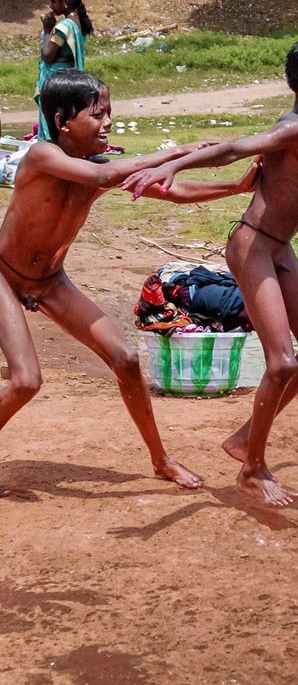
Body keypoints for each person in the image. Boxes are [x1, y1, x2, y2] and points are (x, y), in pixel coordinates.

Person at [121, 35, 298, 508]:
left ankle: (244, 438)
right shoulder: (292, 128)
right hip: (252, 248)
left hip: (280, 248)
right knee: (282, 360)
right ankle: (252, 468)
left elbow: (297, 161)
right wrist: (172, 165)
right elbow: (232, 148)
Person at [0, 69, 259, 496]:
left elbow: (171, 191)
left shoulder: (100, 165)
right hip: (4, 277)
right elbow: (104, 178)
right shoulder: (41, 158)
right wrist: (177, 150)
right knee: (26, 381)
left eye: (110, 114)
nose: (108, 124)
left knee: (125, 359)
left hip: (49, 281)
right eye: (97, 114)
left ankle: (161, 460)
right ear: (63, 121)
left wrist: (235, 186)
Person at [35, 0, 93, 142]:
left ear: (65, 2)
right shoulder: (78, 23)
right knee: (64, 118)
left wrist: (47, 30)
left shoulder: (64, 26)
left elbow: (48, 55)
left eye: (53, 1)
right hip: (69, 78)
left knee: (52, 121)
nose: (51, 5)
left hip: (55, 81)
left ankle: (51, 157)